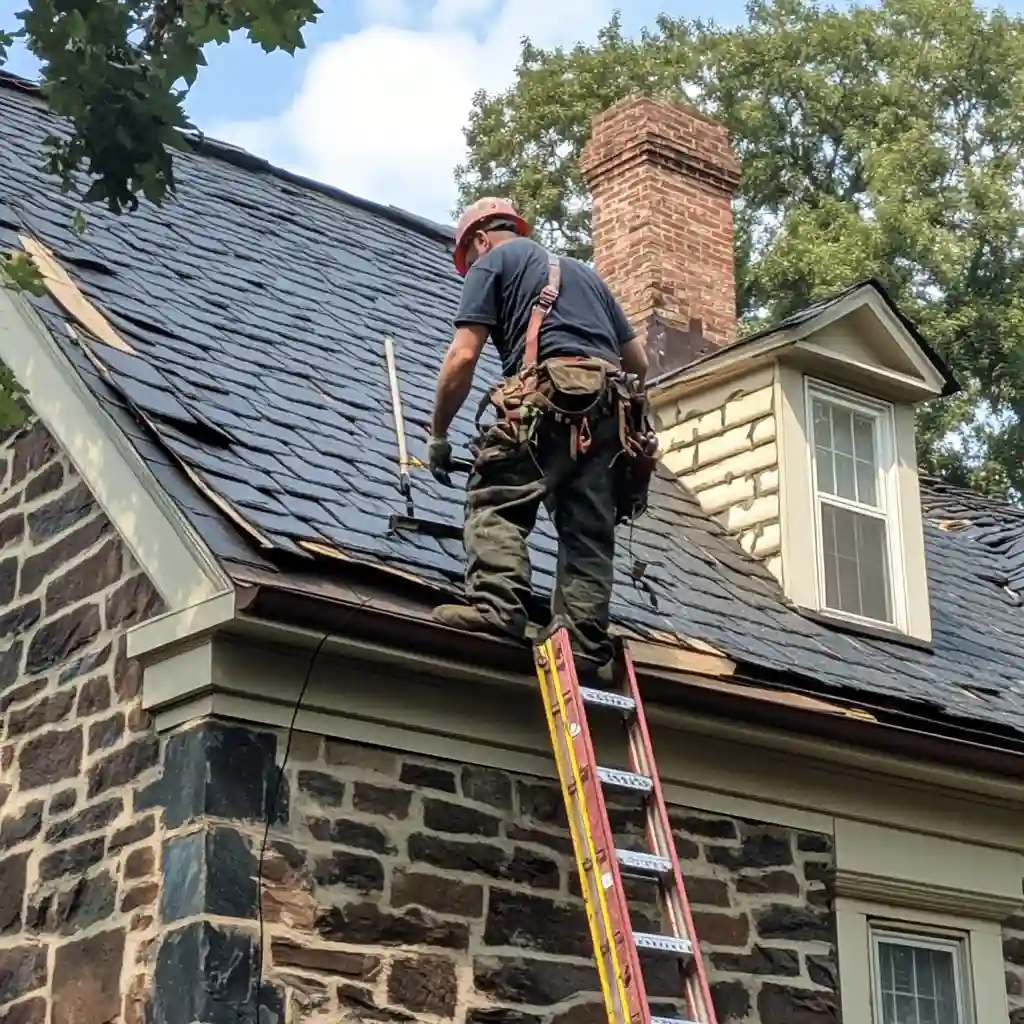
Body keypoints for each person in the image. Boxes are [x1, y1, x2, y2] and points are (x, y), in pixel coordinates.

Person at [426, 197, 652, 680]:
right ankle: (584, 640)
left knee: (496, 499)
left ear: (480, 240)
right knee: (588, 530)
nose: (471, 270)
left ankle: (496, 607)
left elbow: (463, 356)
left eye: (469, 261)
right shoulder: (587, 276)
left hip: (547, 399)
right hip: (611, 414)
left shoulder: (493, 263)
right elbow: (639, 364)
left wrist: (439, 432)